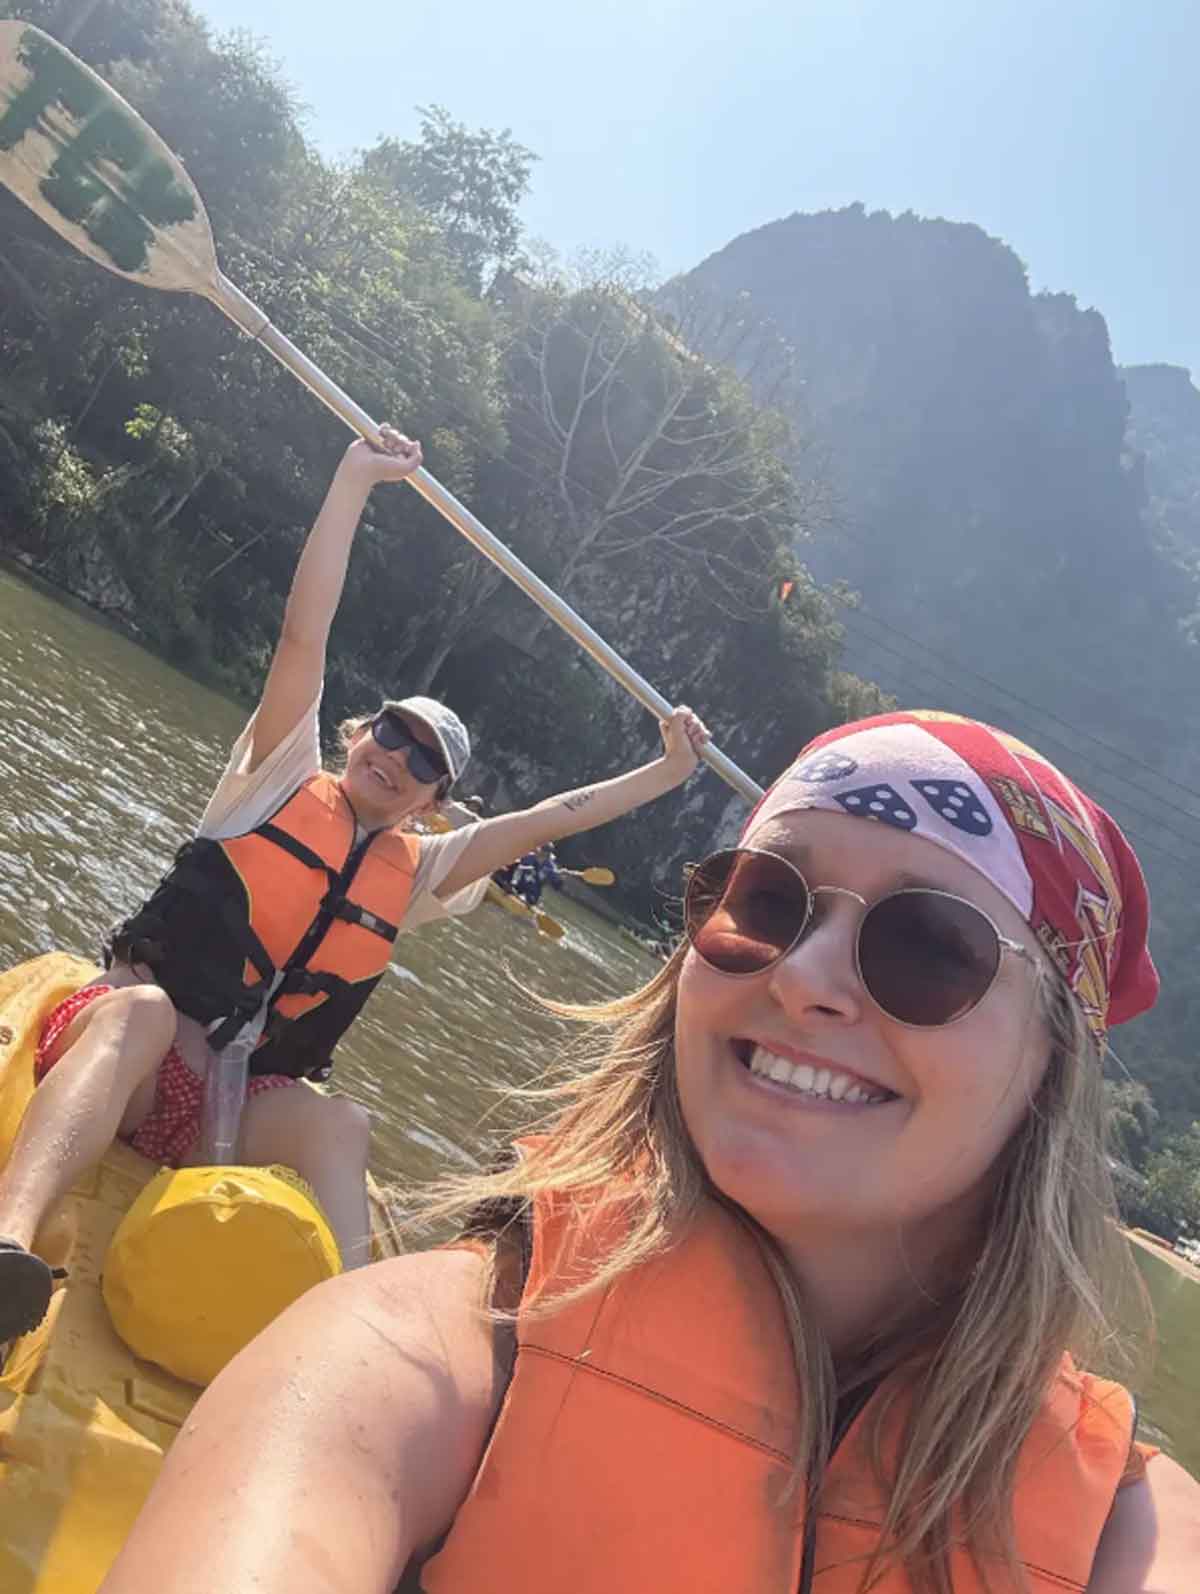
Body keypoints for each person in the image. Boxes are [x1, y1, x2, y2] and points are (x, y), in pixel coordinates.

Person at [96, 710, 1200, 1593]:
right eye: (765, 902)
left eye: (927, 946)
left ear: (1051, 1062)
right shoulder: (420, 1356)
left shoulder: (1135, 1537)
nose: (803, 976)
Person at [0, 428, 709, 1338]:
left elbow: (551, 819)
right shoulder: (273, 780)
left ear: (434, 801)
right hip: (132, 1059)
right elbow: (306, 633)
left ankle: (348, 1340)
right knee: (138, 1013)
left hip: (225, 1112)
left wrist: (667, 771)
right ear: (358, 735)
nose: (399, 757)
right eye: (392, 734)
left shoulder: (419, 874)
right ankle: (10, 1245)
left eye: (425, 762)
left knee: (345, 1125)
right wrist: (353, 480)